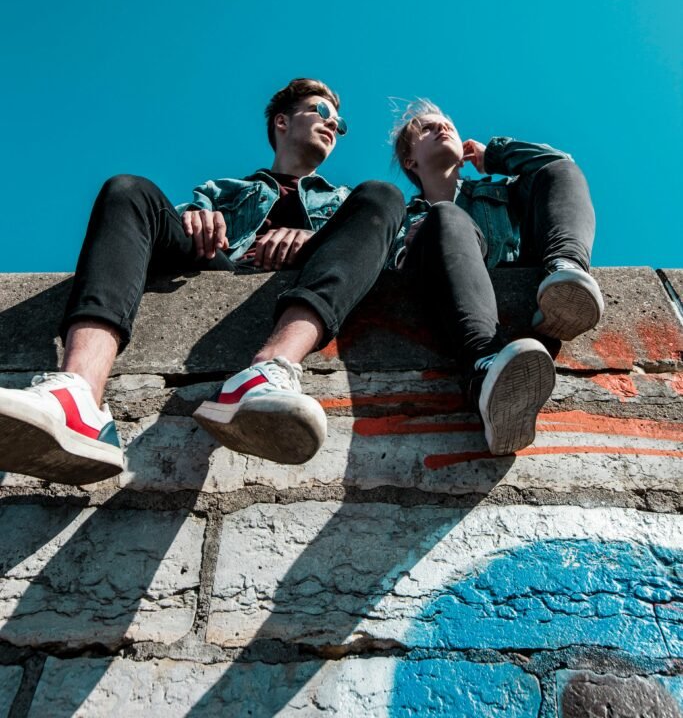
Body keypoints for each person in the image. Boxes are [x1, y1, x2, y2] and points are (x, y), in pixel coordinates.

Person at [0, 78, 404, 485]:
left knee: (385, 195)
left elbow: (384, 257)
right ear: (282, 122)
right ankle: (79, 398)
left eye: (340, 123)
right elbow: (151, 236)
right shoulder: (222, 190)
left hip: (300, 290)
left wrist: (317, 241)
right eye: (322, 112)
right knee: (127, 190)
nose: (334, 124)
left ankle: (270, 371)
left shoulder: (346, 201)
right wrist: (195, 218)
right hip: (222, 264)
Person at [391, 99, 603, 456]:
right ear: (410, 160)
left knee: (561, 171)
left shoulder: (499, 193)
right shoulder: (402, 216)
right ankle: (488, 375)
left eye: (448, 125)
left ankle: (565, 273)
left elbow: (556, 165)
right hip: (456, 311)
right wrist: (409, 246)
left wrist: (496, 155)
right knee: (445, 216)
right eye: (428, 128)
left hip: (518, 284)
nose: (442, 128)